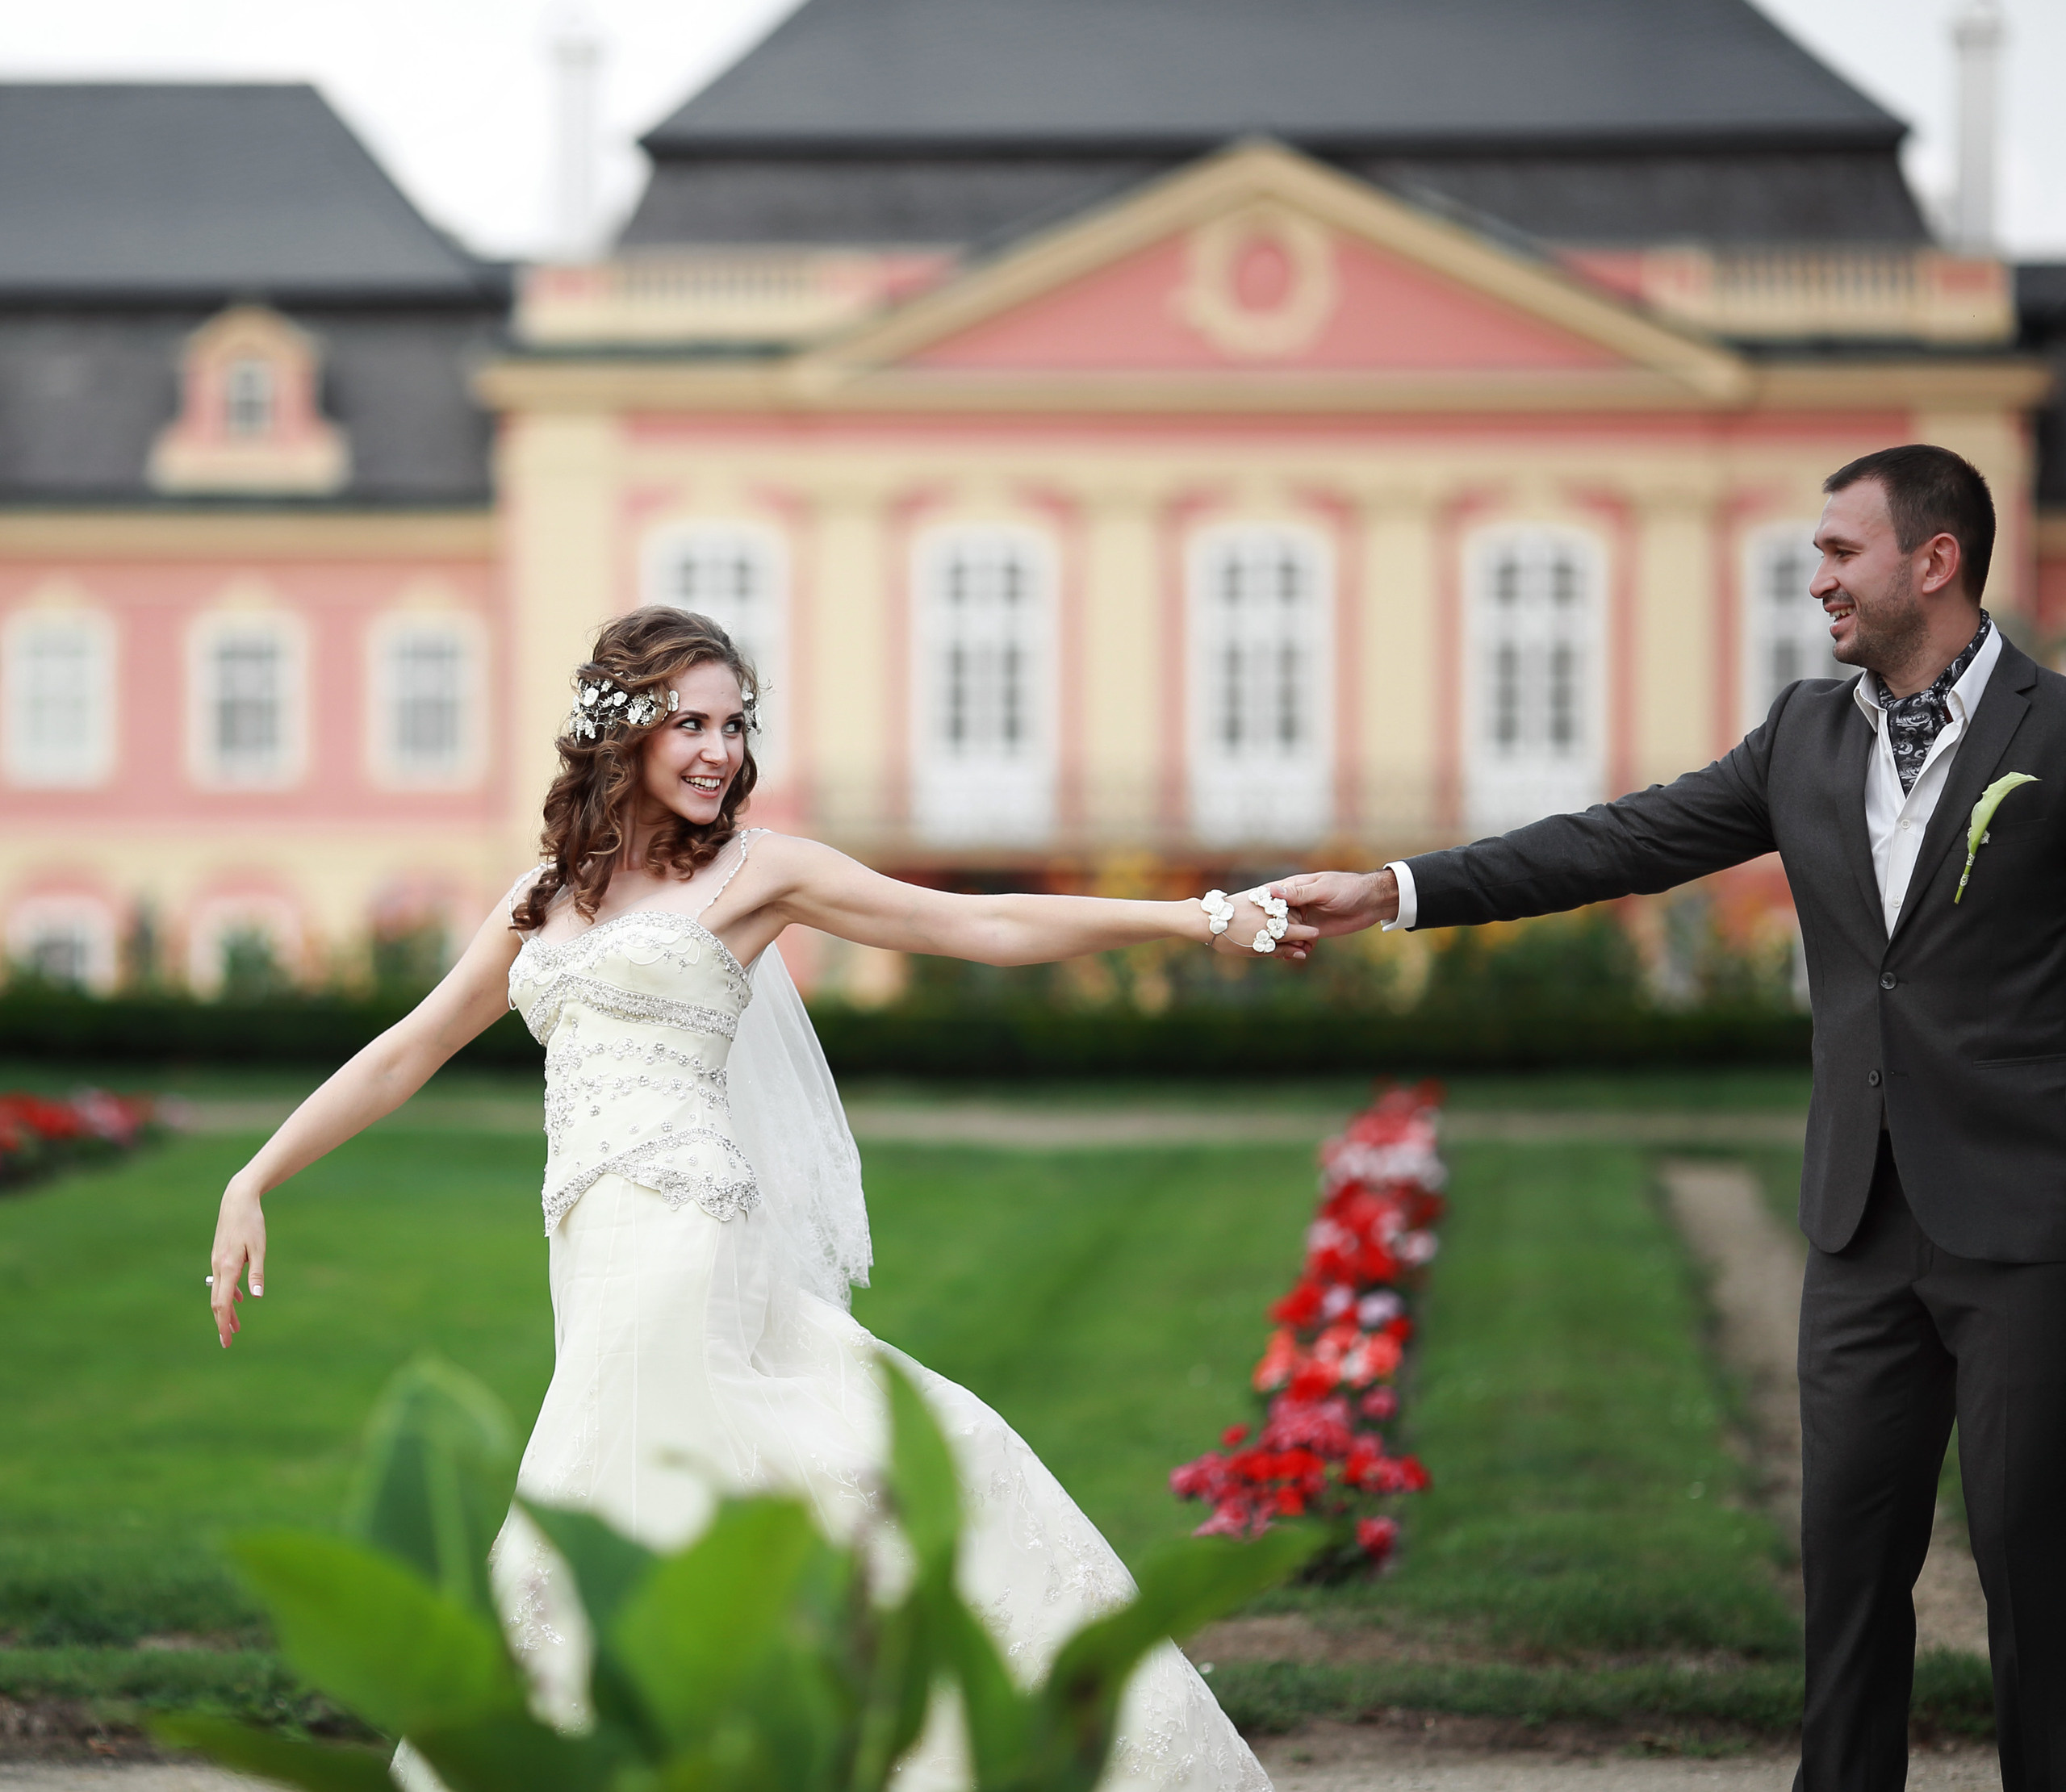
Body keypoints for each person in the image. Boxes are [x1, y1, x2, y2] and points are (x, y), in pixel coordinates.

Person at [207, 604, 1311, 1792]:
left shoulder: (756, 870)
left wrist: (1199, 916)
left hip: (687, 1231)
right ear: (618, 731)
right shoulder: (541, 899)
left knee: (598, 1497)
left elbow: (973, 923)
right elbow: (406, 1049)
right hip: (592, 1244)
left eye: (735, 725)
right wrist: (254, 1172)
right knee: (708, 1491)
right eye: (690, 722)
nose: (719, 751)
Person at [1276, 443, 2066, 1792]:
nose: (1814, 576)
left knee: (2040, 1597)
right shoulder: (1805, 737)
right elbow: (1614, 841)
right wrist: (1396, 888)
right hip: (1859, 1227)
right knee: (1850, 1593)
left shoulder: (2055, 739)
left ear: (1934, 561)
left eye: (1839, 552)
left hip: (2029, 1234)